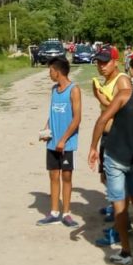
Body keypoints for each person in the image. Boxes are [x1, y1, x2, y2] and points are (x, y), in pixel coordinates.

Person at [87, 57, 133, 265]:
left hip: (116, 156)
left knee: (120, 204)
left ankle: (126, 252)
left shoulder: (126, 94)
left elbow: (102, 119)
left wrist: (92, 148)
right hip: (132, 157)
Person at [37, 56, 82, 228]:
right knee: (53, 175)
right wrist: (46, 130)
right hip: (52, 143)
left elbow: (77, 118)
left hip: (66, 143)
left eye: (50, 71)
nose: (49, 74)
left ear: (58, 72)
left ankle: (67, 213)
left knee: (66, 176)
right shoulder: (54, 90)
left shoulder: (74, 90)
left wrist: (63, 140)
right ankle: (54, 212)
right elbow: (52, 114)